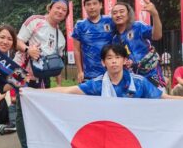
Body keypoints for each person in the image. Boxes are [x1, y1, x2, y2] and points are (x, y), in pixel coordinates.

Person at [14, 0, 69, 148]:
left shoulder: (61, 37)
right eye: (57, 7)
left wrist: (59, 86)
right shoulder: (35, 21)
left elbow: (57, 64)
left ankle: (38, 145)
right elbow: (16, 41)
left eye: (64, 10)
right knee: (22, 113)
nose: (60, 11)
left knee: (39, 113)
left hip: (44, 79)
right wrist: (27, 50)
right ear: (50, 7)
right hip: (23, 75)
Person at [30, 44, 182, 99]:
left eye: (118, 57)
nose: (114, 61)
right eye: (109, 58)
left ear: (124, 61)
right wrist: (35, 93)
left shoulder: (139, 82)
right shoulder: (97, 85)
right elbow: (68, 90)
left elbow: (164, 98)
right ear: (103, 62)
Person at [111, 1, 166, 89]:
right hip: (133, 79)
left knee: (158, 100)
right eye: (115, 13)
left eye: (121, 11)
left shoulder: (138, 26)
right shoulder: (114, 39)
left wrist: (155, 14)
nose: (118, 15)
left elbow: (157, 36)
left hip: (151, 74)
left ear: (128, 14)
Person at [72, 0, 115, 83]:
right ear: (85, 7)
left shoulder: (111, 21)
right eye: (88, 4)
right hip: (88, 76)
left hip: (111, 73)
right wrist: (80, 71)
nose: (92, 7)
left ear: (100, 5)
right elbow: (76, 50)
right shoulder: (80, 25)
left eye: (95, 3)